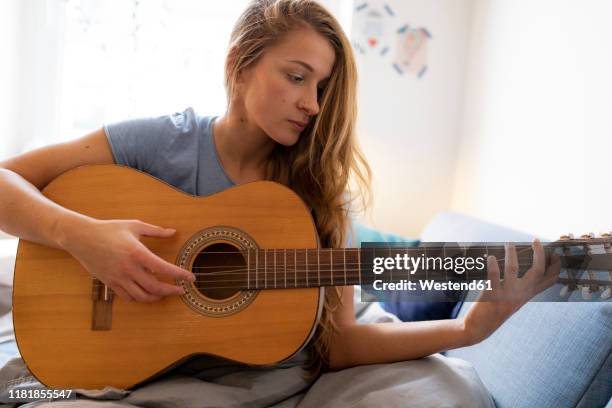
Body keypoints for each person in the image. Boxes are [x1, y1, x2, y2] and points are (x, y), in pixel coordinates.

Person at [0, 0, 559, 388]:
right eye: (297, 77)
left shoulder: (318, 192)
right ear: (240, 65)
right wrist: (80, 237)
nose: (313, 104)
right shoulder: (163, 141)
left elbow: (338, 346)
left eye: (321, 87)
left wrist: (468, 330)